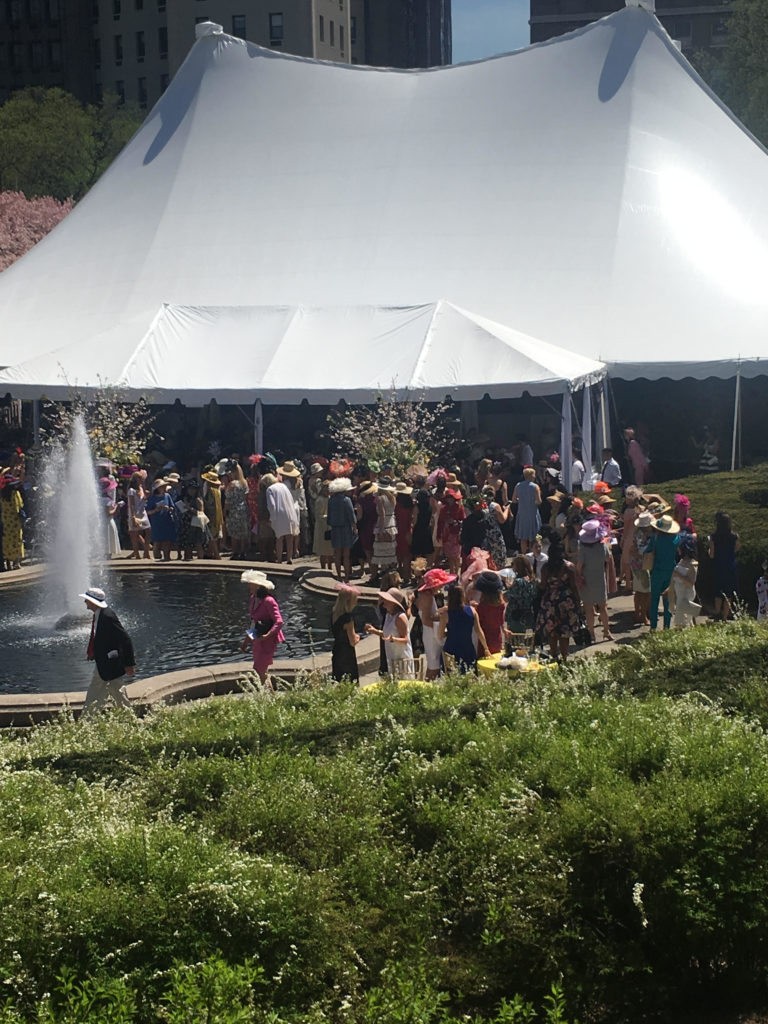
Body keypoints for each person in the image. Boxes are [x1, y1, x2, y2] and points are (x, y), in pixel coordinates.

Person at [80, 586, 134, 711]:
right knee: (117, 691)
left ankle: (87, 721)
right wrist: (93, 652)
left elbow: (125, 639)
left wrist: (129, 664)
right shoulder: (99, 615)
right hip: (105, 662)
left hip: (108, 662)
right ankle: (129, 717)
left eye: (86, 600)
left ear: (93, 602)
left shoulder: (108, 616)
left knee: (95, 692)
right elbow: (101, 638)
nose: (85, 602)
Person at [535, 536, 581, 661]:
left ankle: (554, 656)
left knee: (552, 630)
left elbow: (543, 585)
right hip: (566, 601)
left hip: (550, 600)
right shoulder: (569, 567)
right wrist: (578, 601)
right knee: (565, 632)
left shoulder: (545, 568)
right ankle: (565, 657)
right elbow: (574, 586)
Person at [240, 569, 284, 689]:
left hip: (268, 640)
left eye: (251, 583)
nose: (249, 585)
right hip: (258, 637)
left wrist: (268, 635)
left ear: (258, 586)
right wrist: (246, 641)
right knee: (262, 670)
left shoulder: (269, 601)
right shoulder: (253, 598)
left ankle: (269, 697)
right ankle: (269, 696)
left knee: (259, 669)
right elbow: (253, 622)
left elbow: (279, 621)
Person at [576, 519, 613, 642]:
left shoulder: (583, 549)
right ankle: (607, 630)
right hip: (599, 578)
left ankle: (591, 634)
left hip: (587, 580)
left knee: (588, 608)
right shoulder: (603, 546)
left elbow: (579, 566)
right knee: (603, 607)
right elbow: (608, 558)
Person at [439, 583, 488, 673]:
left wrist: (449, 632)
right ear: (463, 596)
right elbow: (479, 631)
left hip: (451, 649)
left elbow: (440, 635)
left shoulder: (446, 615)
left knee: (451, 676)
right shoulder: (472, 611)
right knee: (470, 675)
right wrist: (486, 648)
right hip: (467, 649)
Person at [415, 567, 454, 680]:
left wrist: (440, 611)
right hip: (431, 633)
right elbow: (426, 620)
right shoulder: (427, 597)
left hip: (431, 632)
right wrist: (441, 624)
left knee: (435, 663)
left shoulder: (427, 595)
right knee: (434, 666)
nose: (442, 586)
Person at [365, 587, 413, 677]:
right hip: (392, 656)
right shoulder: (388, 615)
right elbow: (387, 633)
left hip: (402, 658)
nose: (384, 602)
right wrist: (374, 631)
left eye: (386, 600)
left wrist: (393, 639)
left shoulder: (400, 617)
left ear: (393, 603)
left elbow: (405, 639)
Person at [645, 514, 680, 630]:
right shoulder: (676, 538)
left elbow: (647, 551)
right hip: (671, 571)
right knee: (668, 600)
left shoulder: (655, 539)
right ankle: (667, 627)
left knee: (654, 600)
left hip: (657, 571)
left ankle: (653, 627)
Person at [664, 531, 701, 628]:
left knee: (682, 620)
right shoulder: (682, 561)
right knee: (682, 619)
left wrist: (678, 575)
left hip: (687, 594)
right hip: (679, 593)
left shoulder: (692, 564)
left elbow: (690, 583)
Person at [708, 511, 740, 620]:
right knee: (729, 593)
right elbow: (737, 548)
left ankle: (717, 613)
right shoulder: (734, 536)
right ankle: (725, 617)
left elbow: (711, 554)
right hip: (730, 566)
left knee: (718, 591)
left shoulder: (713, 537)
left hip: (718, 566)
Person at [331, 582, 361, 682]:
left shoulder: (334, 614)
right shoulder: (348, 619)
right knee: (350, 682)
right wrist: (357, 637)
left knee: (338, 680)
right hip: (347, 655)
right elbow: (352, 641)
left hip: (337, 651)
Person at [327, 477, 357, 580]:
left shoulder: (331, 500)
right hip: (346, 529)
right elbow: (351, 516)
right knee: (346, 555)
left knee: (337, 553)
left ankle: (339, 575)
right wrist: (355, 528)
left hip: (335, 529)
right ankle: (347, 576)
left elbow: (329, 517)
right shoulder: (346, 500)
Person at [267, 472, 300, 565]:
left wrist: (272, 518)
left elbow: (272, 505)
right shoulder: (284, 486)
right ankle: (289, 558)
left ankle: (279, 559)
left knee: (279, 538)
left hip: (279, 514)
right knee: (289, 537)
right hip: (290, 512)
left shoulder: (270, 489)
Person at [472, 570, 505, 657]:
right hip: (497, 638)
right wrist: (504, 630)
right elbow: (501, 621)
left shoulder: (482, 606)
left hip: (484, 638)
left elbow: (479, 622)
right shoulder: (501, 605)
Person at [504, 555, 538, 636]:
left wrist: (509, 587)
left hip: (516, 615)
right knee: (528, 643)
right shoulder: (532, 580)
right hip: (528, 614)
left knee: (515, 642)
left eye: (513, 564)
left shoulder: (518, 582)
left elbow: (506, 598)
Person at [224, 460, 251, 560]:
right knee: (243, 531)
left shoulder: (231, 485)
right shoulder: (244, 483)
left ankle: (235, 552)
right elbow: (247, 496)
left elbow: (228, 500)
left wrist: (225, 512)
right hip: (243, 508)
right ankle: (243, 551)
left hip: (234, 510)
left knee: (234, 532)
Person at [511, 466, 541, 555]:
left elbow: (513, 500)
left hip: (522, 513)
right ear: (531, 475)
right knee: (533, 536)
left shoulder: (518, 485)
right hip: (532, 513)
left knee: (523, 537)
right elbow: (539, 501)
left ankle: (524, 554)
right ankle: (533, 554)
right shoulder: (535, 486)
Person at [146, 478, 177, 561]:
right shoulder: (152, 498)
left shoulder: (167, 496)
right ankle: (157, 557)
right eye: (161, 487)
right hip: (157, 522)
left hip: (167, 521)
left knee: (167, 541)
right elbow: (148, 512)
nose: (163, 488)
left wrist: (169, 508)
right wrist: (156, 510)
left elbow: (173, 507)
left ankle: (167, 557)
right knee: (157, 542)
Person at [0, 474, 24, 570]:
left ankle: (8, 563)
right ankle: (16, 563)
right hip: (15, 521)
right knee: (17, 540)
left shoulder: (2, 495)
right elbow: (18, 506)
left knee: (7, 541)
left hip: (5, 520)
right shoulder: (14, 494)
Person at [126, 470, 151, 559]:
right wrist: (133, 516)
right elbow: (131, 504)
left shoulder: (141, 488)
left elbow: (143, 499)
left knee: (148, 530)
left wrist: (145, 493)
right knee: (134, 533)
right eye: (140, 478)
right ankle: (137, 553)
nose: (142, 480)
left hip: (142, 512)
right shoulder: (131, 491)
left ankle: (146, 552)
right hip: (135, 513)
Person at [100, 476, 122, 558]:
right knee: (108, 538)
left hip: (103, 521)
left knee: (105, 538)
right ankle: (108, 555)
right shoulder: (106, 500)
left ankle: (106, 554)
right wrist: (116, 507)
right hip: (108, 521)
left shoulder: (99, 499)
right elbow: (108, 512)